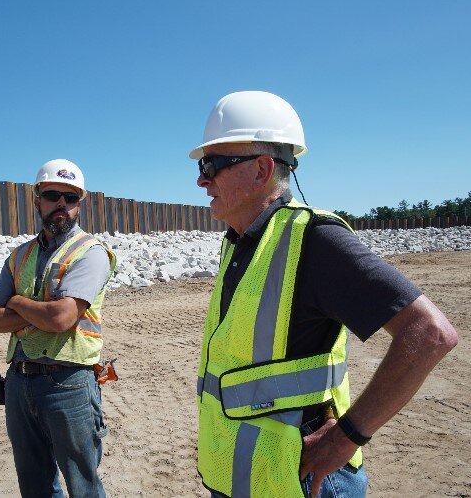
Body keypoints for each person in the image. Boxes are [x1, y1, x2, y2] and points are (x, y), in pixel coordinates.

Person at [190, 91, 458, 498]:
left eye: (212, 165)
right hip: (247, 477)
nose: (201, 179)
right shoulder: (239, 243)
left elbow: (431, 334)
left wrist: (346, 436)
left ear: (263, 170)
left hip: (303, 480)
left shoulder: (315, 241)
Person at [0, 158, 116, 498]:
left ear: (79, 204)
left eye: (70, 198)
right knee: (34, 484)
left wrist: (15, 302)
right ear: (37, 198)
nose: (62, 205)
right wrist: (42, 311)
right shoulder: (19, 256)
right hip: (19, 380)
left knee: (83, 485)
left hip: (68, 384)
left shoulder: (91, 253)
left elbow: (61, 319)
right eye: (54, 194)